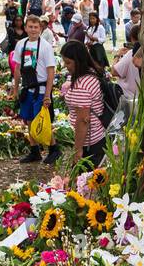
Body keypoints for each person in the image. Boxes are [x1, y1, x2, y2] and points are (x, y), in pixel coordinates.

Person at [11, 14, 60, 164]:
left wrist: (47, 95)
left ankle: (54, 148)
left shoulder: (45, 46)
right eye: (30, 27)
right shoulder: (21, 44)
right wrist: (15, 88)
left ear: (40, 28)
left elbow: (51, 71)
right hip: (27, 88)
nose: (33, 30)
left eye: (36, 27)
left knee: (42, 120)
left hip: (41, 88)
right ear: (25, 28)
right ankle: (34, 151)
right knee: (29, 119)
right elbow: (17, 68)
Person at [59, 38, 109, 170]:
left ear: (79, 61)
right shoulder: (91, 73)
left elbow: (83, 120)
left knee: (85, 184)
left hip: (89, 142)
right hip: (98, 136)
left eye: (68, 62)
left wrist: (78, 150)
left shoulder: (82, 85)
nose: (65, 66)